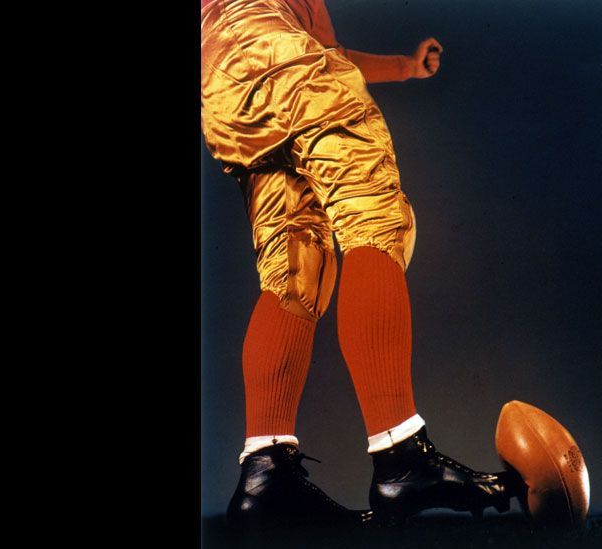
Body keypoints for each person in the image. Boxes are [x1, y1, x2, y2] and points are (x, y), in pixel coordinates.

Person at [200, 0, 515, 530]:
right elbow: (318, 53)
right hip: (280, 59)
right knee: (373, 212)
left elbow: (322, 52)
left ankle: (265, 473)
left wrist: (404, 66)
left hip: (220, 91)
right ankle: (401, 455)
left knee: (295, 266)